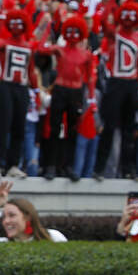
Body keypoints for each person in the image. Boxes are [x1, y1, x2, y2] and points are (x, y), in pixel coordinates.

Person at [36, 15, 95, 180]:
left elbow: (90, 77)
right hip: (60, 90)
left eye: (76, 31)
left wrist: (91, 98)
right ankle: (51, 166)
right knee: (54, 129)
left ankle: (68, 166)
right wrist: (47, 28)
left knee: (72, 131)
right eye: (70, 30)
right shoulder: (59, 49)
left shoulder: (86, 55)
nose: (73, 34)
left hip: (75, 92)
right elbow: (40, 49)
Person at [96, 2, 138, 179]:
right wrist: (109, 1)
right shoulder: (115, 34)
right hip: (116, 82)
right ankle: (100, 168)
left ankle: (129, 170)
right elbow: (103, 23)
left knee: (129, 130)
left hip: (131, 83)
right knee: (109, 127)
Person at [0, 11, 39, 178]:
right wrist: (1, 20)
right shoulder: (4, 42)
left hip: (22, 88)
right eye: (13, 23)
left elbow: (31, 70)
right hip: (6, 86)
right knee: (2, 126)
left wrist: (36, 91)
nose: (16, 26)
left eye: (20, 23)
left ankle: (13, 165)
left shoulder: (28, 46)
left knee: (19, 127)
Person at [0, 180, 67, 242]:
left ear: (27, 217)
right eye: (4, 217)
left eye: (12, 215)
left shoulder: (53, 237)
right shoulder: (3, 243)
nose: (6, 221)